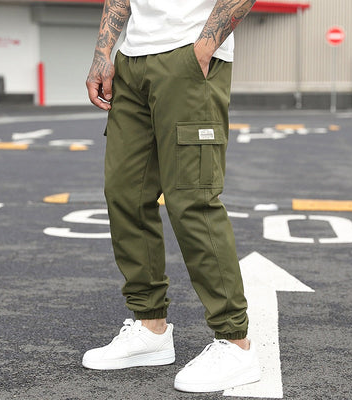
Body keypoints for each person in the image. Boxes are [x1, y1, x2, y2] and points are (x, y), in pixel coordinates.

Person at [82, 0, 261, 393]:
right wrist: (103, 53)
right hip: (131, 61)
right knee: (125, 194)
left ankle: (235, 342)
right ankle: (151, 327)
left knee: (193, 200)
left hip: (188, 54)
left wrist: (203, 49)